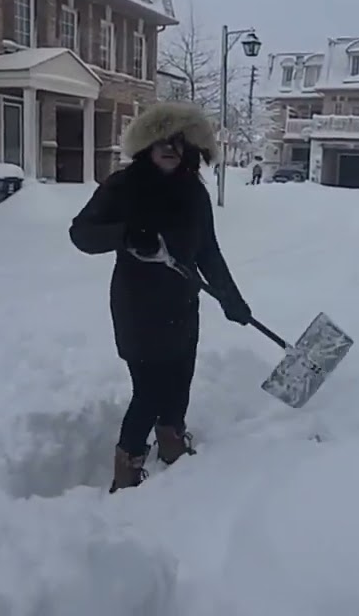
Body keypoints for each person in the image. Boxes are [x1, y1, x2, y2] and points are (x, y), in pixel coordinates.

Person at [68, 101, 253, 493]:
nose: (170, 148)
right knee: (150, 388)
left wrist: (230, 298)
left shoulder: (195, 194)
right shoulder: (122, 187)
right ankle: (128, 465)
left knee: (181, 376)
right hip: (138, 306)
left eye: (178, 142)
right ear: (147, 147)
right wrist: (125, 234)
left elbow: (208, 252)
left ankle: (171, 441)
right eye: (161, 142)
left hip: (182, 303)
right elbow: (81, 234)